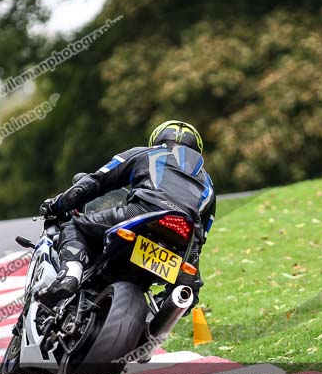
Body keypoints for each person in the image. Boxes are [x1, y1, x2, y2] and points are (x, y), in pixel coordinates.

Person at [35, 120, 215, 309]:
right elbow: (204, 233)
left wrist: (56, 205)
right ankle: (157, 315)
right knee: (188, 289)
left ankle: (70, 275)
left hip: (143, 212)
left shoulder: (146, 153)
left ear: (157, 138)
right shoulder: (208, 182)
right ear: (197, 148)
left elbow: (94, 182)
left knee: (76, 226)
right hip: (183, 236)